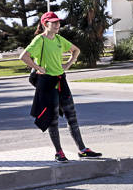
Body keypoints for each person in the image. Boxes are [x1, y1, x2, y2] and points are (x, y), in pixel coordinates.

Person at [21, 11, 101, 161]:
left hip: (61, 81)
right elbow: (23, 56)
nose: (58, 25)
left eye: (58, 22)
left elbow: (76, 50)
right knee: (53, 120)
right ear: (46, 24)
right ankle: (59, 152)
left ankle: (83, 149)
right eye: (54, 22)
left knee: (72, 116)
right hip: (47, 83)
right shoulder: (40, 40)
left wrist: (68, 64)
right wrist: (38, 68)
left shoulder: (59, 39)